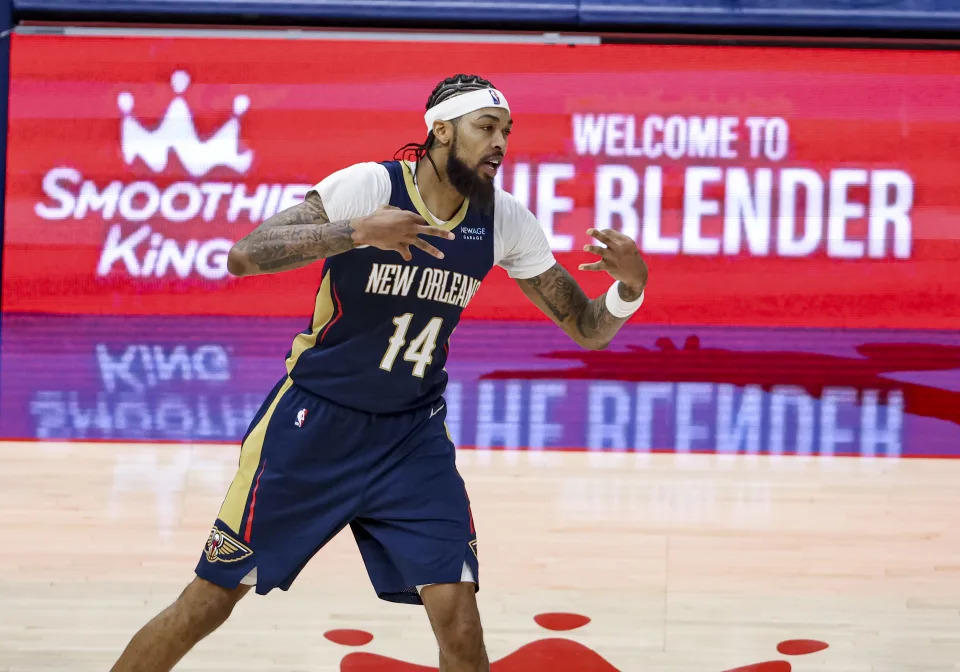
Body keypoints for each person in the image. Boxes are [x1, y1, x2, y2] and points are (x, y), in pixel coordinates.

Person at [110, 73, 648, 672]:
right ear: (441, 131)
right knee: (209, 601)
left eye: (506, 131)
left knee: (460, 621)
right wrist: (357, 232)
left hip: (411, 438)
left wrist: (628, 289)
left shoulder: (503, 220)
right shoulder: (370, 186)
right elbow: (245, 255)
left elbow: (587, 328)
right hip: (314, 427)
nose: (500, 143)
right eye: (486, 127)